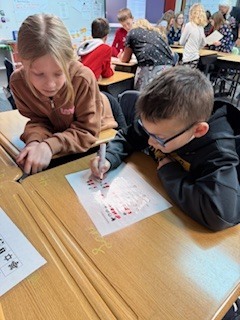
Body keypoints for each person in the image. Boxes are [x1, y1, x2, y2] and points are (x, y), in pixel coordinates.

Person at [90, 66, 240, 232]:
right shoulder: (161, 127)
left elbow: (219, 215)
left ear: (198, 130)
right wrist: (109, 158)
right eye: (146, 130)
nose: (149, 141)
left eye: (159, 138)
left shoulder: (218, 150)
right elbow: (128, 136)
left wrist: (169, 172)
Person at [10, 13, 118, 175]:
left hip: (99, 133)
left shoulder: (82, 78)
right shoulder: (18, 83)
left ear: (70, 60)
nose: (50, 85)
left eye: (59, 73)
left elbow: (87, 131)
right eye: (39, 74)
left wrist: (49, 145)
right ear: (22, 61)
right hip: (62, 137)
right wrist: (34, 141)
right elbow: (39, 120)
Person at [118, 18, 175, 91]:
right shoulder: (156, 33)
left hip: (151, 68)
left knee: (143, 96)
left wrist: (120, 57)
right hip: (168, 68)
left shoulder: (132, 32)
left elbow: (125, 59)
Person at [179, 3, 206, 69]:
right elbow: (204, 43)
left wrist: (183, 32)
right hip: (195, 56)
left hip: (187, 57)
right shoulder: (201, 28)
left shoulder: (189, 25)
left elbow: (181, 42)